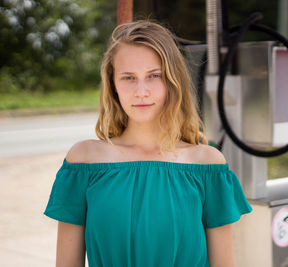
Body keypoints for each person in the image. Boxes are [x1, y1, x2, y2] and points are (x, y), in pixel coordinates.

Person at [43, 20, 252, 267]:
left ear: (172, 81)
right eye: (129, 77)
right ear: (113, 85)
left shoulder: (207, 165)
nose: (141, 91)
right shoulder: (83, 162)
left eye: (154, 76)